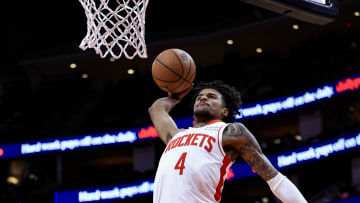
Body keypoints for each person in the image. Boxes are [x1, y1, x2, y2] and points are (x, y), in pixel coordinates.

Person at [149, 80, 307, 203]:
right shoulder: (175, 136)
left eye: (212, 97)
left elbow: (275, 179)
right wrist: (175, 95)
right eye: (199, 97)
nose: (203, 97)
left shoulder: (229, 132)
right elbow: (156, 109)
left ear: (224, 111)